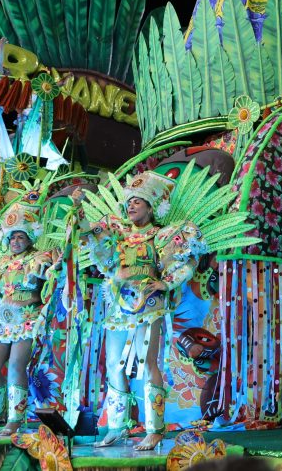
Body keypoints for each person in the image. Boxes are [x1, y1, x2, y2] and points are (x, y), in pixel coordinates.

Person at [75, 171, 196, 451]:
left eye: (138, 202)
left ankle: (155, 429)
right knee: (114, 365)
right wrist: (78, 209)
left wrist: (165, 282)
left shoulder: (163, 235)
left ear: (151, 208)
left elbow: (188, 260)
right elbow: (88, 235)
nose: (131, 207)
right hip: (119, 306)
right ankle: (117, 426)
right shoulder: (117, 234)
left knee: (148, 362)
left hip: (149, 306)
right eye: (129, 202)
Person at [0, 203, 61, 435]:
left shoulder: (40, 257)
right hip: (3, 321)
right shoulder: (2, 263)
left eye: (20, 236)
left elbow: (48, 284)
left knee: (16, 365)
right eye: (12, 237)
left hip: (27, 319)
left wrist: (54, 269)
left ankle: (15, 418)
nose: (15, 241)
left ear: (30, 238)